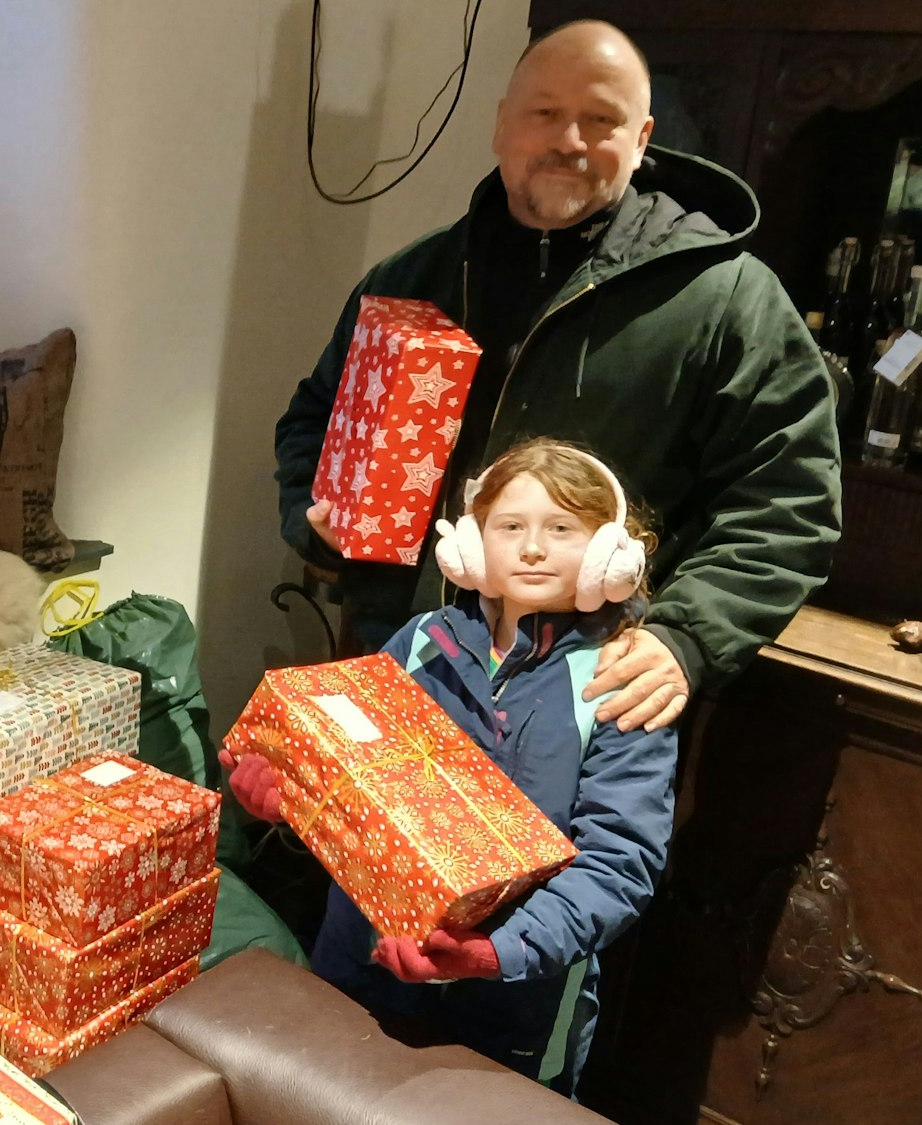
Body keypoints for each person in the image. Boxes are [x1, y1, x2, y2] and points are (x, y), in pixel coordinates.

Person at [273, 20, 842, 735]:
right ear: (502, 124)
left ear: (641, 139)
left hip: (594, 698)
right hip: (405, 663)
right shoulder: (412, 280)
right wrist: (320, 520)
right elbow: (313, 421)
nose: (569, 139)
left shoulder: (727, 299)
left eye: (600, 119)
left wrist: (686, 637)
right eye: (544, 113)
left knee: (574, 857)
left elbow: (787, 504)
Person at [225, 438, 679, 1097]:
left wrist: (492, 954)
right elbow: (356, 799)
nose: (532, 548)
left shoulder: (619, 680)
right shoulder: (417, 644)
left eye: (561, 529)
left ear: (612, 555)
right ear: (470, 542)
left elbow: (617, 865)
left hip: (514, 1006)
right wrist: (291, 803)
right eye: (511, 527)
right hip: (357, 964)